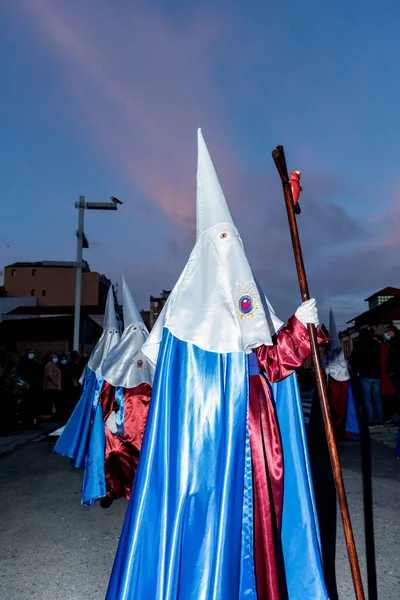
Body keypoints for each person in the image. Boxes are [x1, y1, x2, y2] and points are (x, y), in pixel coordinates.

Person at [106, 129, 328, 599]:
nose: (228, 251)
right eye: (219, 241)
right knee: (198, 524)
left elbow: (268, 362)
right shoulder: (183, 313)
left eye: (233, 242)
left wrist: (297, 329)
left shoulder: (249, 298)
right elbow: (158, 390)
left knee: (253, 527)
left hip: (253, 438)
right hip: (199, 448)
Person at [96, 276, 154, 508]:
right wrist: (109, 413)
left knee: (145, 458)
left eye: (141, 329)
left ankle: (144, 491)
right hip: (122, 420)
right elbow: (109, 387)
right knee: (115, 454)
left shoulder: (152, 356)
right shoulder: (117, 359)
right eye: (134, 329)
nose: (138, 333)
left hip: (146, 421)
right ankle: (111, 489)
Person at [54, 285, 120, 481]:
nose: (112, 339)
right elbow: (86, 383)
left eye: (114, 335)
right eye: (109, 335)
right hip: (97, 409)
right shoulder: (94, 360)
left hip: (116, 411)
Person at [324, 309, 359, 439]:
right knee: (338, 409)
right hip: (336, 383)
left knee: (341, 408)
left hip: (340, 384)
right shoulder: (332, 357)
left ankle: (342, 429)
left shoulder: (337, 359)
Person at [349, 328, 383, 425]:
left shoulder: (360, 345)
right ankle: (380, 419)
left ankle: (370, 419)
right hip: (377, 374)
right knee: (377, 398)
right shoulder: (376, 344)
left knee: (367, 399)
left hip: (365, 374)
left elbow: (355, 359)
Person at [17, 349, 41, 425]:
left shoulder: (34, 363)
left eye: (33, 353)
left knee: (34, 405)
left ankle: (34, 420)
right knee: (27, 405)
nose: (32, 354)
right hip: (26, 386)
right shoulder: (23, 363)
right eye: (30, 353)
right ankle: (28, 421)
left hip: (35, 387)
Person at [385, 324, 400, 421]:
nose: (387, 334)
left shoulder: (394, 343)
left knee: (398, 393)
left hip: (396, 372)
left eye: (388, 332)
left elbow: (392, 358)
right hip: (397, 371)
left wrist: (390, 370)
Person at [42, 352, 62, 418]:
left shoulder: (54, 365)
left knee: (53, 403)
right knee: (50, 403)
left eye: (56, 357)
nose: (56, 359)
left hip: (55, 387)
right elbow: (49, 375)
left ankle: (53, 415)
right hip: (51, 387)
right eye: (54, 357)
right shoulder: (49, 365)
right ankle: (50, 416)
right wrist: (55, 383)